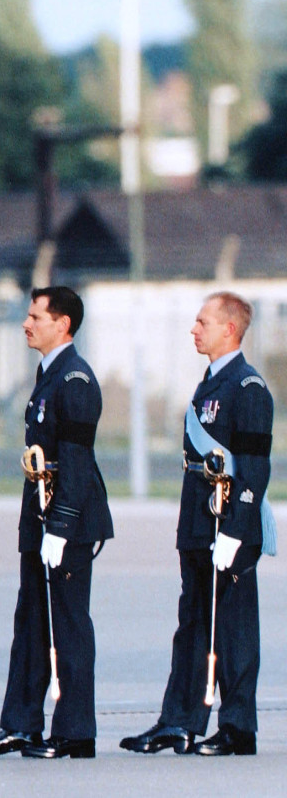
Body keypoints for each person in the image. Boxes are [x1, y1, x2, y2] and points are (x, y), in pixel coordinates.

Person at [120, 291, 274, 757]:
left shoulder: (247, 388)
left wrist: (237, 529)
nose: (193, 329)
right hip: (199, 515)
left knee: (233, 626)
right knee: (192, 623)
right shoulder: (209, 384)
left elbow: (255, 466)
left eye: (203, 322)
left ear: (229, 329)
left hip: (229, 519)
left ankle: (237, 727)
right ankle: (180, 721)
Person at [0, 286, 113, 760]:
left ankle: (75, 732)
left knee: (69, 625)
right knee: (31, 621)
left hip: (67, 519)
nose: (26, 323)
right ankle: (22, 724)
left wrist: (62, 527)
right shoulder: (49, 373)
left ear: (63, 324)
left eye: (36, 316)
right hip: (40, 512)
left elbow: (74, 460)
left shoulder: (75, 380)